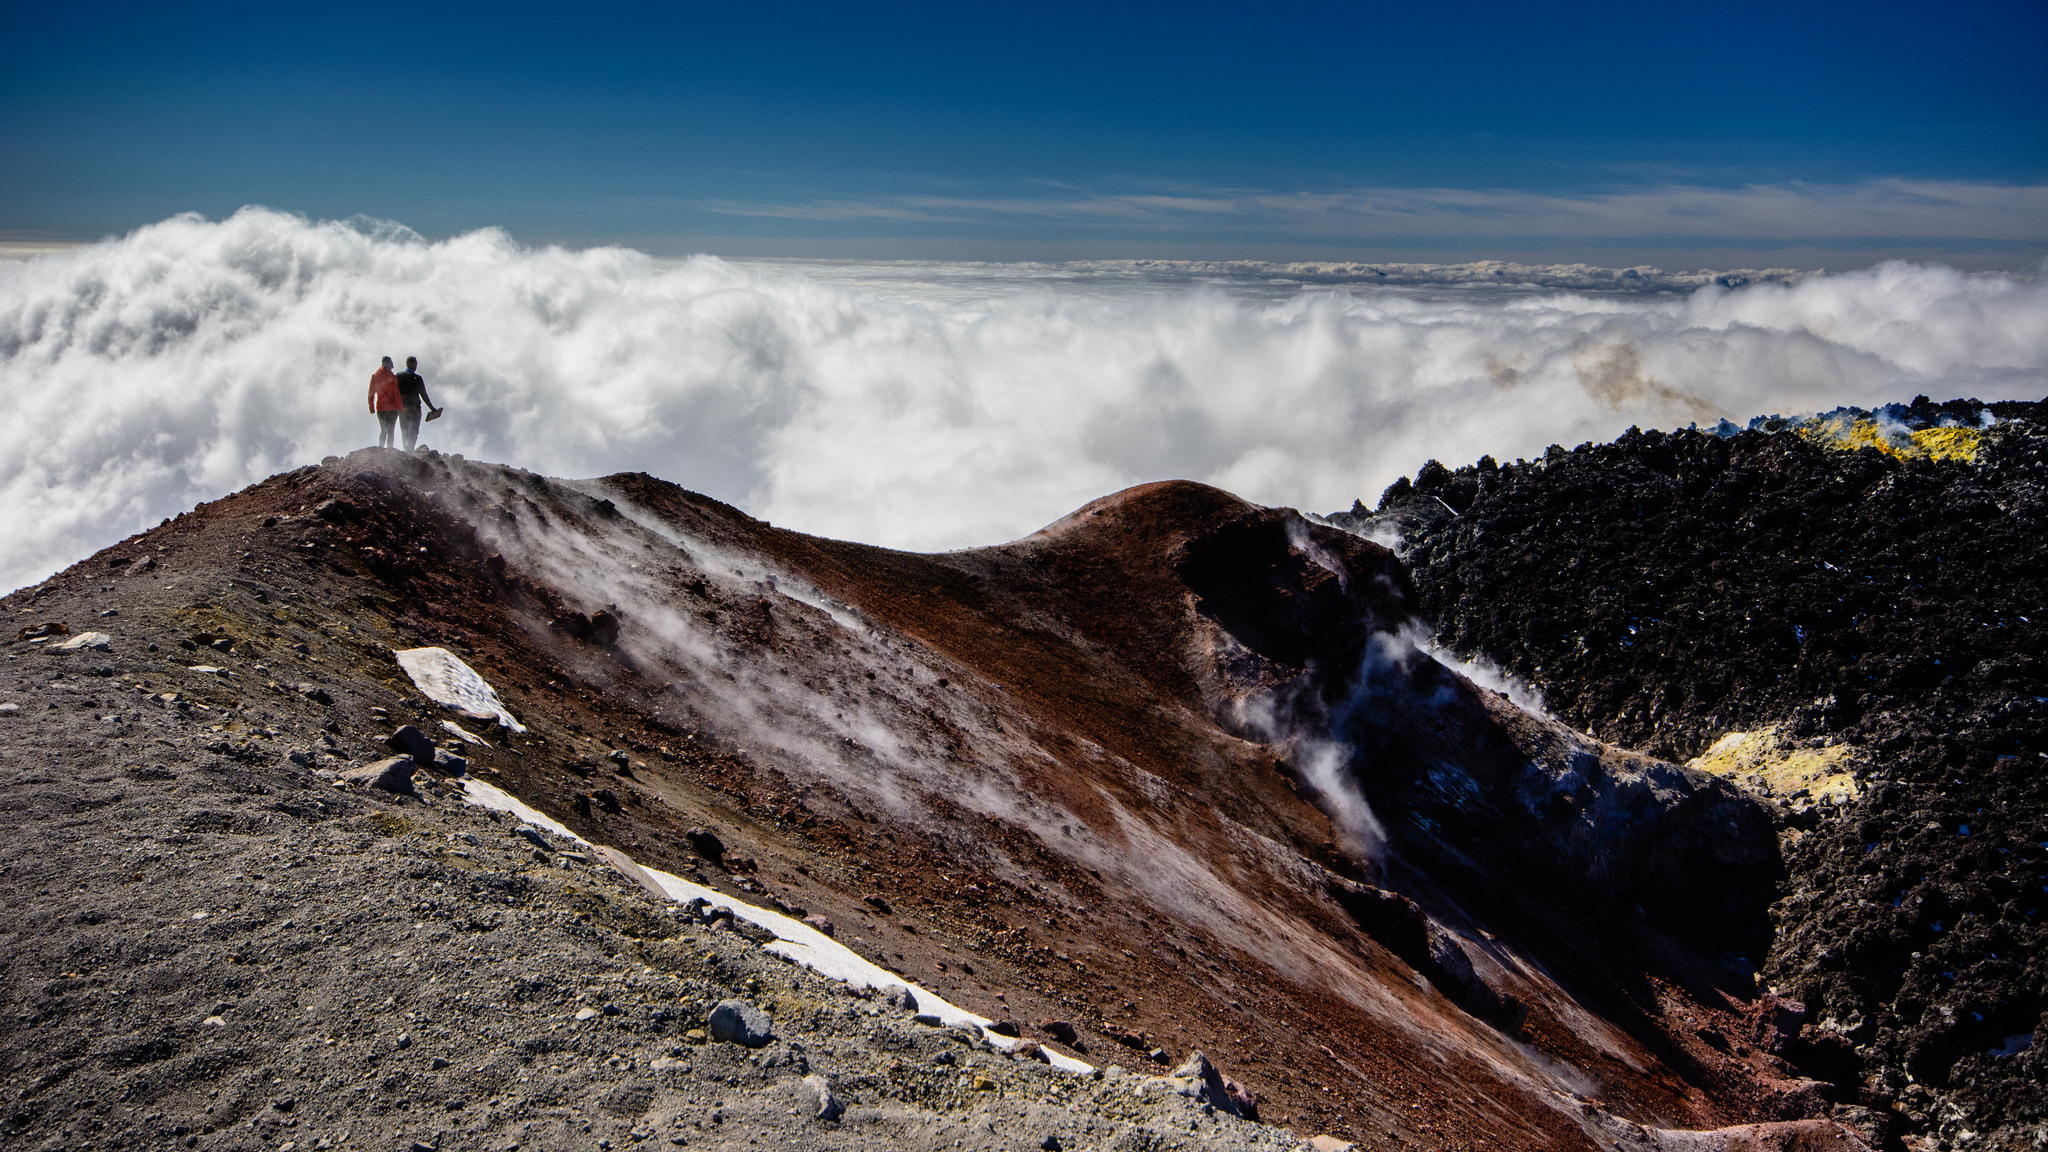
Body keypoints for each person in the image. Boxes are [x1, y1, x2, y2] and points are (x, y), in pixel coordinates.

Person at [393, 356, 439, 451]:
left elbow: (393, 392)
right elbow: (424, 395)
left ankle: (406, 449)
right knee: (413, 431)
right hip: (414, 409)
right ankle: (410, 450)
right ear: (414, 365)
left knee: (404, 431)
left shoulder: (398, 376)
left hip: (402, 408)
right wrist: (432, 408)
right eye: (415, 364)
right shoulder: (418, 378)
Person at [367, 356, 402, 447]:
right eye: (391, 363)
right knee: (391, 431)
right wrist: (400, 408)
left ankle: (380, 448)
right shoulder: (393, 377)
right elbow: (397, 394)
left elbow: (371, 393)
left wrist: (371, 407)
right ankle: (389, 450)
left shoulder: (375, 376)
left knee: (383, 430)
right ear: (388, 364)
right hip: (392, 408)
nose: (393, 366)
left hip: (380, 408)